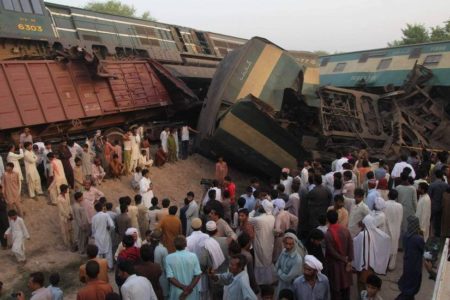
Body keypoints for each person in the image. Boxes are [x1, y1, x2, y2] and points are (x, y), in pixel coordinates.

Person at [324, 210, 353, 300]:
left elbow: (331, 251)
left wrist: (343, 259)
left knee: (335, 288)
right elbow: (351, 246)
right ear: (338, 218)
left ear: (327, 220)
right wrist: (349, 260)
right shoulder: (345, 230)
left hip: (334, 264)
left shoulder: (328, 234)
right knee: (346, 287)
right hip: (345, 263)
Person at [165, 235, 202, 300]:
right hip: (191, 292)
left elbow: (170, 278)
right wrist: (189, 288)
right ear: (186, 244)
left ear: (174, 245)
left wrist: (183, 287)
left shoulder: (168, 258)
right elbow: (198, 274)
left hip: (177, 293)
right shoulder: (193, 256)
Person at [396, 216, 425, 300]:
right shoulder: (418, 238)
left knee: (407, 277)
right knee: (414, 280)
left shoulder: (406, 235)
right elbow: (423, 249)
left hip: (407, 262)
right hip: (415, 263)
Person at [249, 199, 276, 285]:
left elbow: (247, 218)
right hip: (270, 244)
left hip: (260, 243)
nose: (260, 206)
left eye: (261, 206)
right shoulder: (272, 217)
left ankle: (261, 282)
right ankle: (268, 280)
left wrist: (254, 209)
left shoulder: (258, 219)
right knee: (267, 261)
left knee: (260, 262)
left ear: (264, 208)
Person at [384, 189, 403, 270]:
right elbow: (401, 218)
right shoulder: (400, 206)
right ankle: (391, 265)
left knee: (385, 247)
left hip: (386, 228)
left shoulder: (384, 204)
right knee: (394, 246)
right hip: (396, 228)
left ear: (388, 195)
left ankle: (384, 264)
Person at [91, 202, 115, 269]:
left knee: (98, 252)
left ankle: (99, 267)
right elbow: (112, 225)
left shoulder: (94, 217)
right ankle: (109, 267)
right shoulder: (106, 215)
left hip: (97, 236)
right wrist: (109, 228)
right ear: (102, 208)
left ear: (95, 209)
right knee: (108, 252)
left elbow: (93, 229)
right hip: (106, 235)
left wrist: (93, 235)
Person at [396, 173, 418, 240]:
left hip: (400, 210)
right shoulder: (412, 188)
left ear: (401, 178)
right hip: (410, 210)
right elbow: (414, 201)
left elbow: (396, 200)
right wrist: (416, 210)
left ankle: (400, 244)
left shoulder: (397, 188)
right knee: (408, 227)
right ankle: (408, 242)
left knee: (401, 226)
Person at [428, 169, 449, 238]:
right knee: (442, 223)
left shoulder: (432, 185)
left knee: (435, 223)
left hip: (434, 206)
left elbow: (429, 196)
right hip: (444, 207)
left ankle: (436, 237)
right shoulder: (446, 185)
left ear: (435, 175)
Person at [56, 184, 74, 249]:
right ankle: (67, 245)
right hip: (64, 217)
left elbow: (69, 205)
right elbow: (61, 210)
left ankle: (72, 242)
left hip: (69, 215)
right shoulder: (59, 198)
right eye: (66, 189)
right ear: (63, 190)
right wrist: (68, 216)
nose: (67, 190)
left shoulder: (66, 196)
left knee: (71, 230)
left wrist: (71, 213)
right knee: (65, 231)